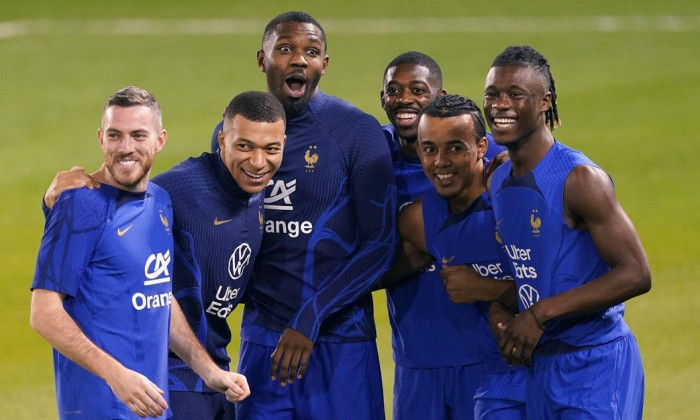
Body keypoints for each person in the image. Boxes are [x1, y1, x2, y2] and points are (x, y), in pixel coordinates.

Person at [41, 90, 285, 419]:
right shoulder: (79, 204)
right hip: (101, 407)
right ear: (101, 139)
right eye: (116, 135)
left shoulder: (159, 203)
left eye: (138, 135)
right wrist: (117, 376)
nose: (126, 147)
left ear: (160, 140)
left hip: (155, 408)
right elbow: (43, 314)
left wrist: (209, 371)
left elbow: (160, 296)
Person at [208, 11, 396, 420]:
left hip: (340, 341)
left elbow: (380, 245)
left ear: (323, 65)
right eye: (286, 49)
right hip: (263, 342)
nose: (299, 60)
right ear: (263, 59)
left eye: (311, 51)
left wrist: (310, 317)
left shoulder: (356, 133)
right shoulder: (233, 135)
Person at [483, 45, 651, 418]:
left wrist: (540, 314)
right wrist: (501, 317)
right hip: (541, 364)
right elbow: (521, 267)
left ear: (544, 102)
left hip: (595, 364)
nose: (499, 105)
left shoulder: (579, 179)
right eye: (492, 94)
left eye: (515, 95)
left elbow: (636, 273)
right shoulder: (496, 176)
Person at [378, 51, 509, 420]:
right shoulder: (373, 158)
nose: (406, 100)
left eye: (418, 90)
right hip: (416, 356)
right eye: (395, 90)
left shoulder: (497, 162)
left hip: (487, 357)